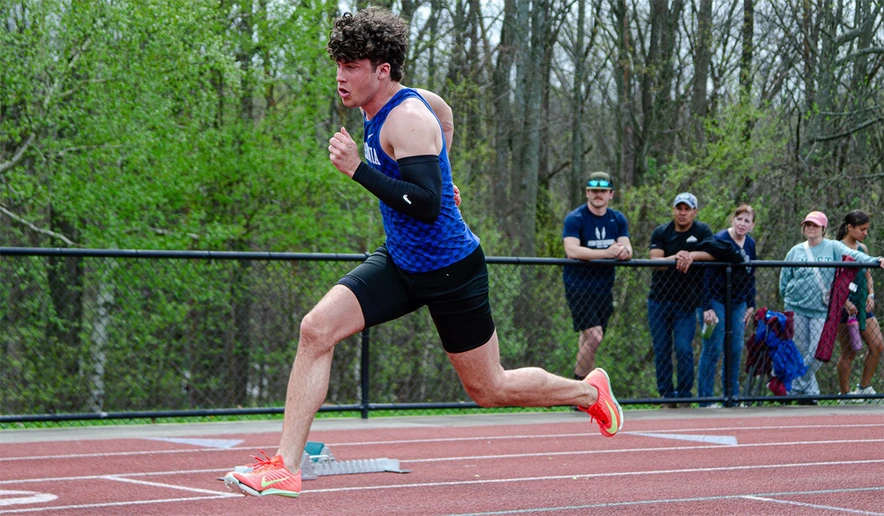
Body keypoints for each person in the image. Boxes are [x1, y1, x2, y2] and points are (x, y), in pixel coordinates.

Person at [223, 7, 623, 498]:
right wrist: (441, 169)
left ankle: (587, 390)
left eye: (351, 66)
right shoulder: (399, 104)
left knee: (489, 389)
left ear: (382, 71)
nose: (340, 77)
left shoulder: (408, 119)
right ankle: (286, 466)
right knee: (315, 329)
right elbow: (446, 115)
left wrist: (361, 171)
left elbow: (429, 206)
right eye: (339, 65)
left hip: (451, 270)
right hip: (400, 261)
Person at [779, 210, 884, 402]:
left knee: (817, 352)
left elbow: (855, 255)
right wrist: (788, 299)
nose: (811, 228)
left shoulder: (833, 247)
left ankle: (796, 387)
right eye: (808, 224)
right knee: (801, 352)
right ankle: (809, 394)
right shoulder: (795, 251)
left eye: (815, 225)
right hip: (796, 308)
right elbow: (784, 279)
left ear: (823, 228)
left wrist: (875, 260)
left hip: (821, 309)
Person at [562, 171, 632, 383]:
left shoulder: (617, 219)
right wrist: (607, 253)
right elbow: (572, 250)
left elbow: (628, 248)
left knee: (588, 339)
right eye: (594, 191)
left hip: (604, 286)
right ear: (587, 193)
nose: (598, 194)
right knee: (595, 336)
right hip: (578, 285)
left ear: (611, 194)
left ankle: (585, 391)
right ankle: (580, 386)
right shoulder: (576, 218)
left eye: (603, 190)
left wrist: (623, 252)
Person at [647, 192, 714, 405]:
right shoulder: (661, 232)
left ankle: (684, 395)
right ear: (673, 210)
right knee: (662, 350)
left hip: (686, 303)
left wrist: (691, 255)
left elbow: (714, 253)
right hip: (658, 301)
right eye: (679, 208)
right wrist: (675, 258)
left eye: (687, 209)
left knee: (684, 349)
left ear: (695, 212)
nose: (682, 213)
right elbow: (655, 262)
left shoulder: (702, 231)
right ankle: (666, 396)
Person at [697, 205, 757, 407]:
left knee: (736, 348)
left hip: (738, 302)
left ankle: (731, 397)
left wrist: (751, 304)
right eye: (739, 219)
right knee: (713, 347)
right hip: (715, 299)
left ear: (752, 225)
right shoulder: (720, 239)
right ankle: (705, 399)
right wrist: (707, 307)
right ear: (733, 220)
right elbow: (705, 275)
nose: (742, 224)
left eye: (747, 221)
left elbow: (751, 275)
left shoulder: (750, 244)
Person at [834, 210, 882, 398]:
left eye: (867, 229)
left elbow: (867, 274)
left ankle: (864, 386)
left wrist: (871, 295)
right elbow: (833, 280)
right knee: (849, 351)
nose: (865, 233)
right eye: (862, 229)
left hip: (862, 304)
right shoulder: (837, 249)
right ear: (850, 227)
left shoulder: (862, 249)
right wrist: (845, 302)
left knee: (878, 345)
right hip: (844, 308)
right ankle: (845, 394)